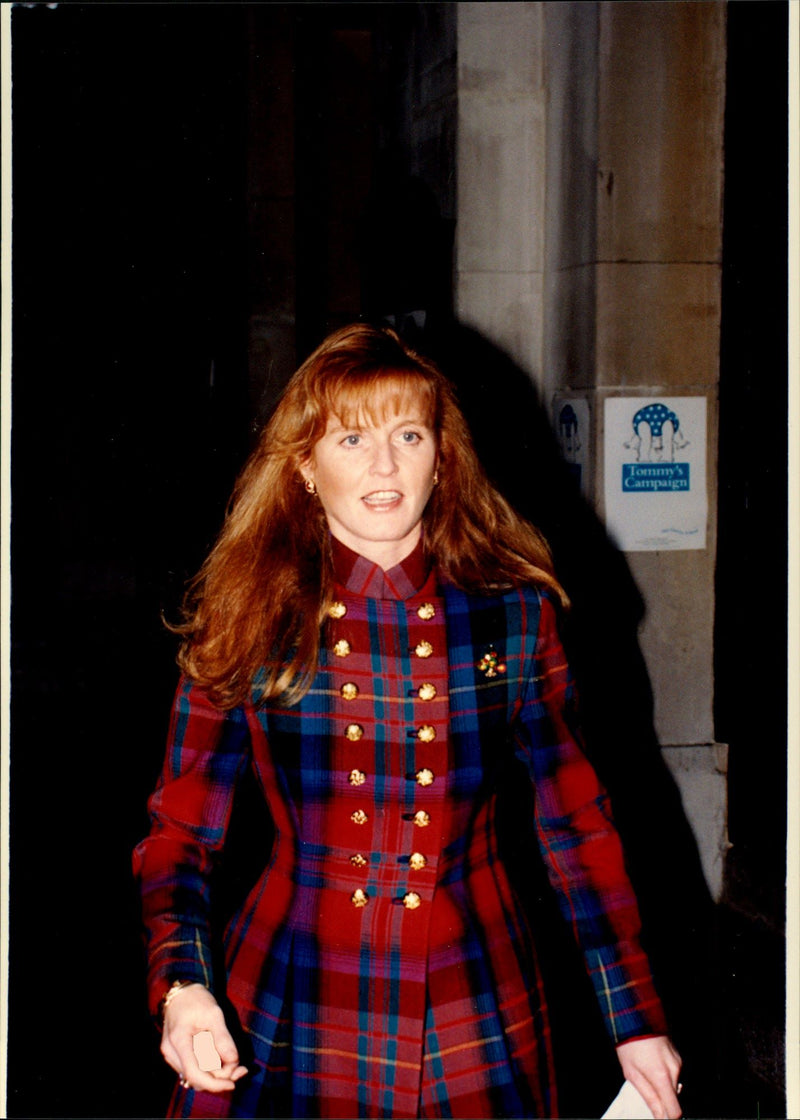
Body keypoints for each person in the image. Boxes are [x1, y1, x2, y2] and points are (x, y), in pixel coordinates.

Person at [134, 323, 682, 1119]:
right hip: (295, 993)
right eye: (352, 437)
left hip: (474, 989)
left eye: (409, 434)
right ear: (305, 468)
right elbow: (180, 833)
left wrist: (632, 1017)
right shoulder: (247, 617)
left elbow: (576, 827)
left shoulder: (514, 613)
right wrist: (182, 984)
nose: (384, 464)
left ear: (442, 457)